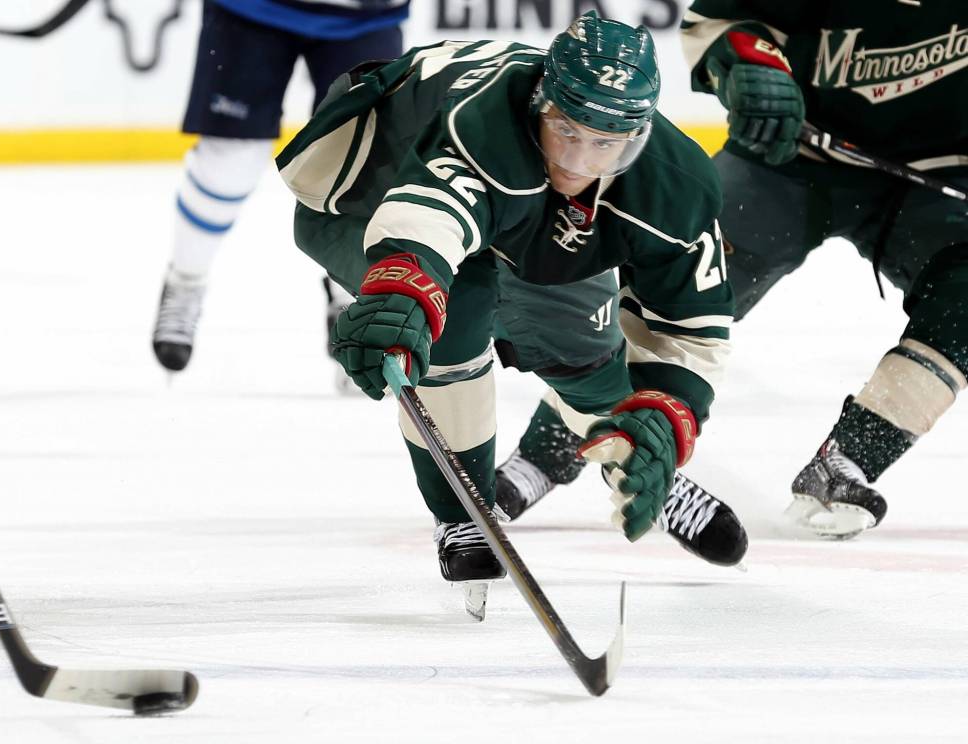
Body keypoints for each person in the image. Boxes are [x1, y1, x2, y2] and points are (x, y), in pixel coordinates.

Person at [276, 11, 740, 593]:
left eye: (604, 143)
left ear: (639, 135)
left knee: (583, 342)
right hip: (370, 193)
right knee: (452, 311)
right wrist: (402, 286)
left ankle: (629, 459)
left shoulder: (676, 184)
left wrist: (665, 414)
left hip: (522, 213)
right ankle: (464, 515)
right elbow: (429, 219)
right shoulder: (484, 120)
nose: (577, 161)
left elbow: (692, 326)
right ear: (540, 102)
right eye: (567, 130)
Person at [678, 1, 968, 537]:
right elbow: (716, 21)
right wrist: (748, 64)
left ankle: (848, 459)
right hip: (794, 156)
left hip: (938, 176)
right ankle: (554, 449)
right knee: (678, 285)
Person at [151, 0, 409, 374]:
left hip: (364, 14)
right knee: (230, 160)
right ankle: (186, 280)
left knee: (360, 159)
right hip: (251, 9)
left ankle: (354, 298)